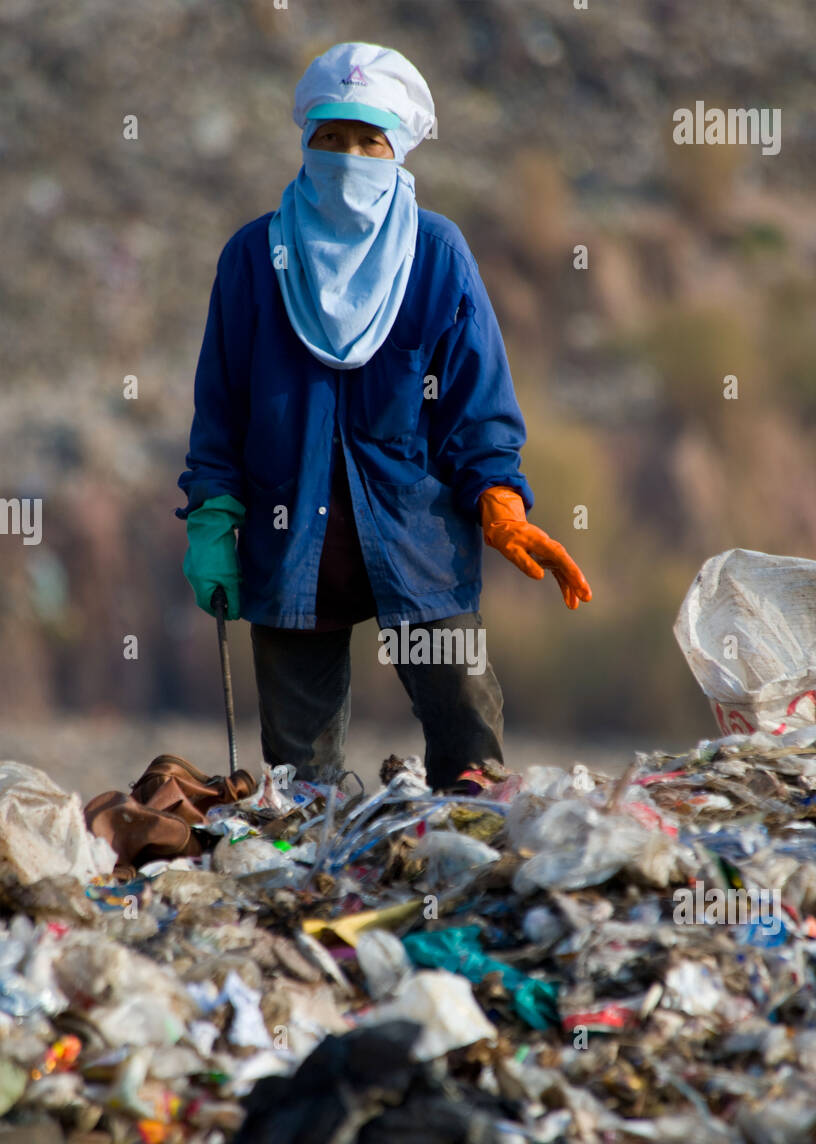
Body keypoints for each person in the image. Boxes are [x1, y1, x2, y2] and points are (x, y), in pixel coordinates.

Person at [178, 42, 591, 792]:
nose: (348, 156)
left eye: (369, 141)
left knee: (470, 755)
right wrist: (211, 520)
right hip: (294, 541)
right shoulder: (252, 259)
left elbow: (478, 406)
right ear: (306, 141)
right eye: (330, 138)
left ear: (398, 150)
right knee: (301, 785)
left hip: (418, 544)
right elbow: (220, 409)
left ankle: (466, 879)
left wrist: (499, 502)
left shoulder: (436, 254)